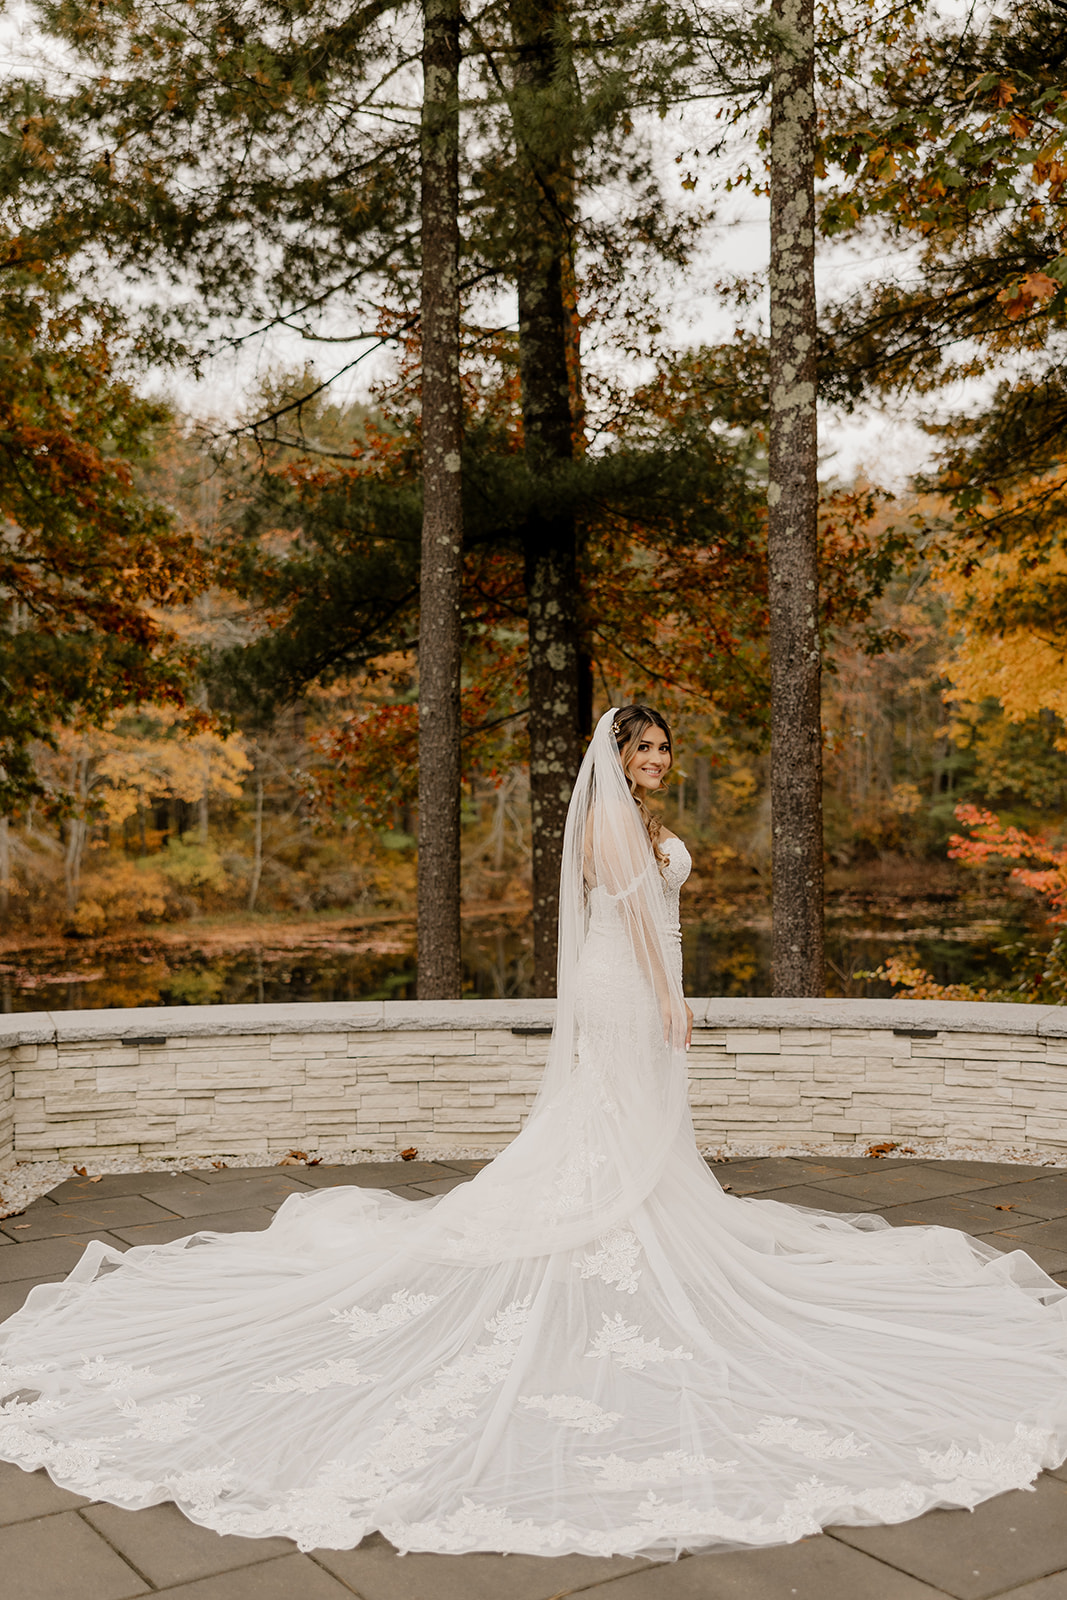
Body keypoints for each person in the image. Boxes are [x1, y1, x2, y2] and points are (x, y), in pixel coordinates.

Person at [1, 704, 1067, 1561]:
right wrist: (669, 1001)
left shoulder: (639, 820)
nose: (654, 759)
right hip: (622, 990)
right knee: (605, 1118)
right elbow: (643, 920)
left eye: (661, 748)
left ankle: (634, 1216)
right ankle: (604, 1227)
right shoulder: (612, 827)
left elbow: (659, 902)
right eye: (641, 747)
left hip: (635, 984)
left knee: (626, 1125)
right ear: (614, 755)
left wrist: (669, 981)